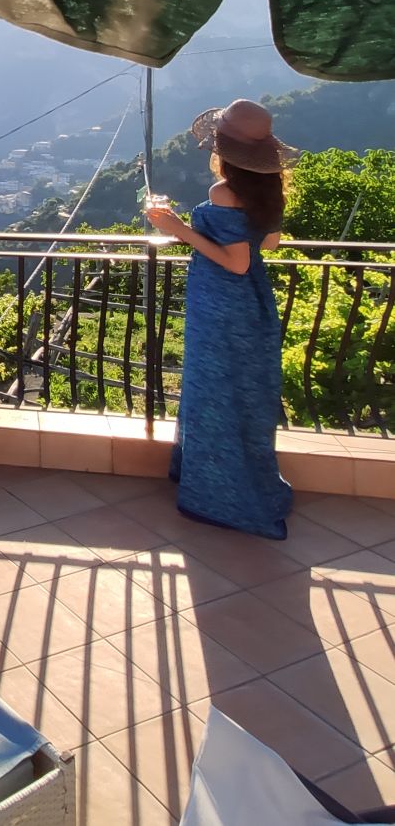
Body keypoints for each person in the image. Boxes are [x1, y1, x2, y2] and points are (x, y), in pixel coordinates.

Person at [144, 99, 295, 540]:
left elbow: (236, 262)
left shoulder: (222, 193)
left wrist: (180, 229)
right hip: (253, 306)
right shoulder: (268, 191)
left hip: (221, 305)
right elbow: (268, 246)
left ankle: (220, 496)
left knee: (214, 392)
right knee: (246, 395)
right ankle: (245, 484)